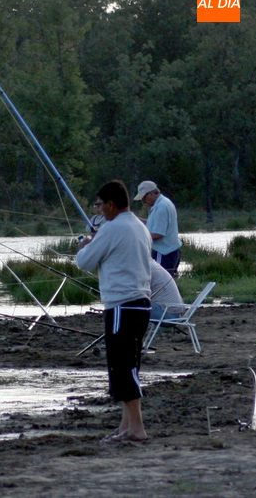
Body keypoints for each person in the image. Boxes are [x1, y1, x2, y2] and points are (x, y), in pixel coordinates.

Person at [76, 180, 151, 443]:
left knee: (121, 366)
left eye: (99, 205)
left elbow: (84, 262)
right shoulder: (139, 226)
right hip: (141, 304)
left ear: (111, 204)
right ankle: (126, 426)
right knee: (130, 364)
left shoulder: (113, 227)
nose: (98, 210)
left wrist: (85, 245)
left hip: (122, 305)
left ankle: (137, 428)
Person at [134, 180, 182, 278]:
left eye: (144, 197)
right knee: (166, 282)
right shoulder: (162, 203)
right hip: (169, 251)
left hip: (164, 253)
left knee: (160, 282)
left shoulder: (161, 207)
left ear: (151, 194)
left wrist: (138, 237)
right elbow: (153, 224)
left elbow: (158, 234)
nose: (143, 201)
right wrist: (135, 219)